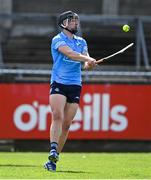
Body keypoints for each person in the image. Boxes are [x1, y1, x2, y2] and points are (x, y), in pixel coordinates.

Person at [44, 11, 98, 172]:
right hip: (59, 82)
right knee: (57, 115)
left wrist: (90, 64)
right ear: (63, 23)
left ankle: (53, 159)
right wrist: (87, 59)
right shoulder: (58, 39)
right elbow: (70, 54)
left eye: (76, 20)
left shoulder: (82, 42)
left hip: (75, 84)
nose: (76, 23)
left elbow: (85, 63)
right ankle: (53, 148)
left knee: (67, 125)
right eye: (72, 20)